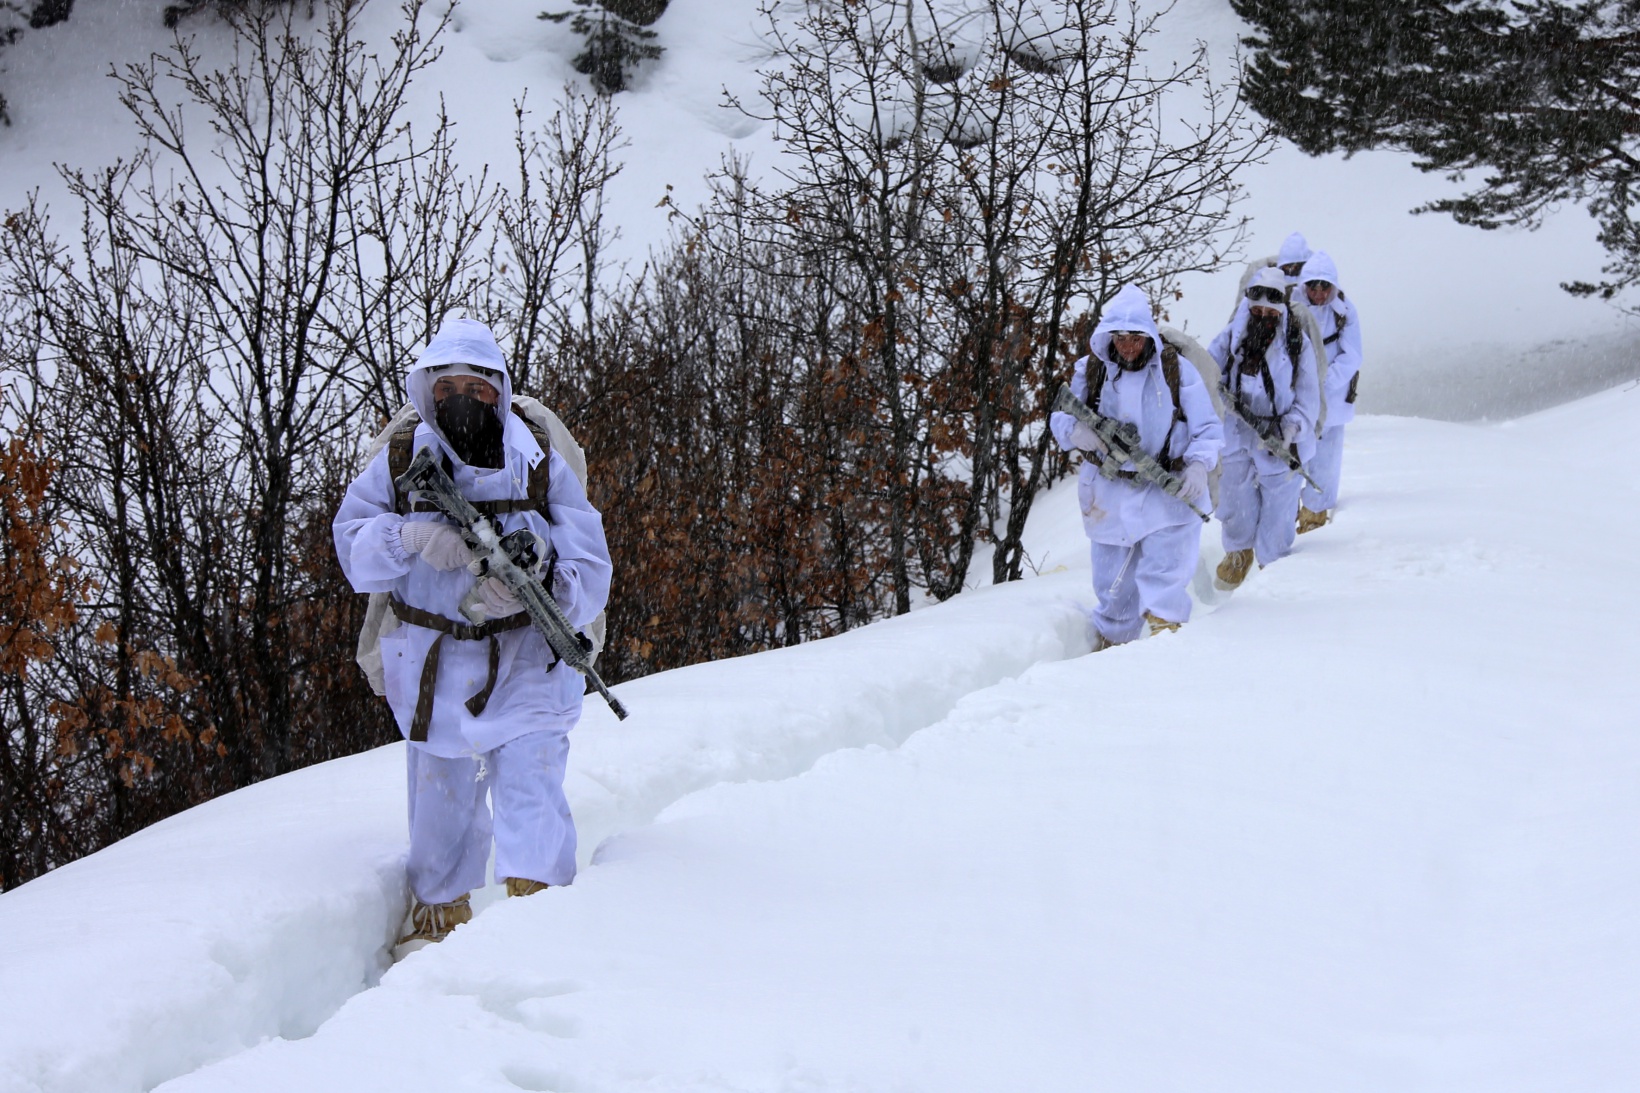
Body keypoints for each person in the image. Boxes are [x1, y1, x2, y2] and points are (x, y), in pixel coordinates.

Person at [333, 317, 612, 957]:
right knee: (440, 814)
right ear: (429, 388)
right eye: (451, 385)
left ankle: (546, 944)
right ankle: (436, 948)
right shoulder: (402, 455)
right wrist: (409, 537)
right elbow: (352, 548)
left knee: (533, 798)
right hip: (433, 663)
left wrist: (542, 579)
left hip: (530, 658)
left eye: (480, 387)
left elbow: (590, 562)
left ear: (501, 390)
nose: (466, 399)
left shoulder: (537, 455)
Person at [1050, 284, 1223, 650]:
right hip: (1110, 492)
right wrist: (1079, 432)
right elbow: (1060, 418)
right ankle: (1111, 647)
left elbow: (1207, 427)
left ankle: (1167, 644)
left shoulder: (1177, 371)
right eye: (1120, 337)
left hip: (1167, 490)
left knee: (1166, 576)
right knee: (1114, 585)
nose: (1127, 346)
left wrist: (1197, 465)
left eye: (1135, 338)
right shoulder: (1092, 370)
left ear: (1148, 337)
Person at [1209, 267, 1320, 588]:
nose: (1262, 316)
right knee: (1234, 499)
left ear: (1280, 310)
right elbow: (1205, 374)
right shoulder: (1230, 338)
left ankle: (1273, 568)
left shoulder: (1297, 345)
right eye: (1256, 310)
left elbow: (1308, 396)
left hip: (1279, 437)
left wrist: (1290, 430)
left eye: (1268, 311)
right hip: (1235, 432)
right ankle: (1238, 553)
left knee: (1280, 506)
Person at [1295, 251, 1362, 532]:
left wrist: (1324, 381)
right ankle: (1285, 515)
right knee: (1292, 458)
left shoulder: (1345, 313)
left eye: (1325, 286)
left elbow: (1352, 355)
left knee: (1326, 462)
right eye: (1314, 286)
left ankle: (1315, 516)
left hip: (1332, 401)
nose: (1319, 292)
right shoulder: (1292, 309)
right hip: (1297, 399)